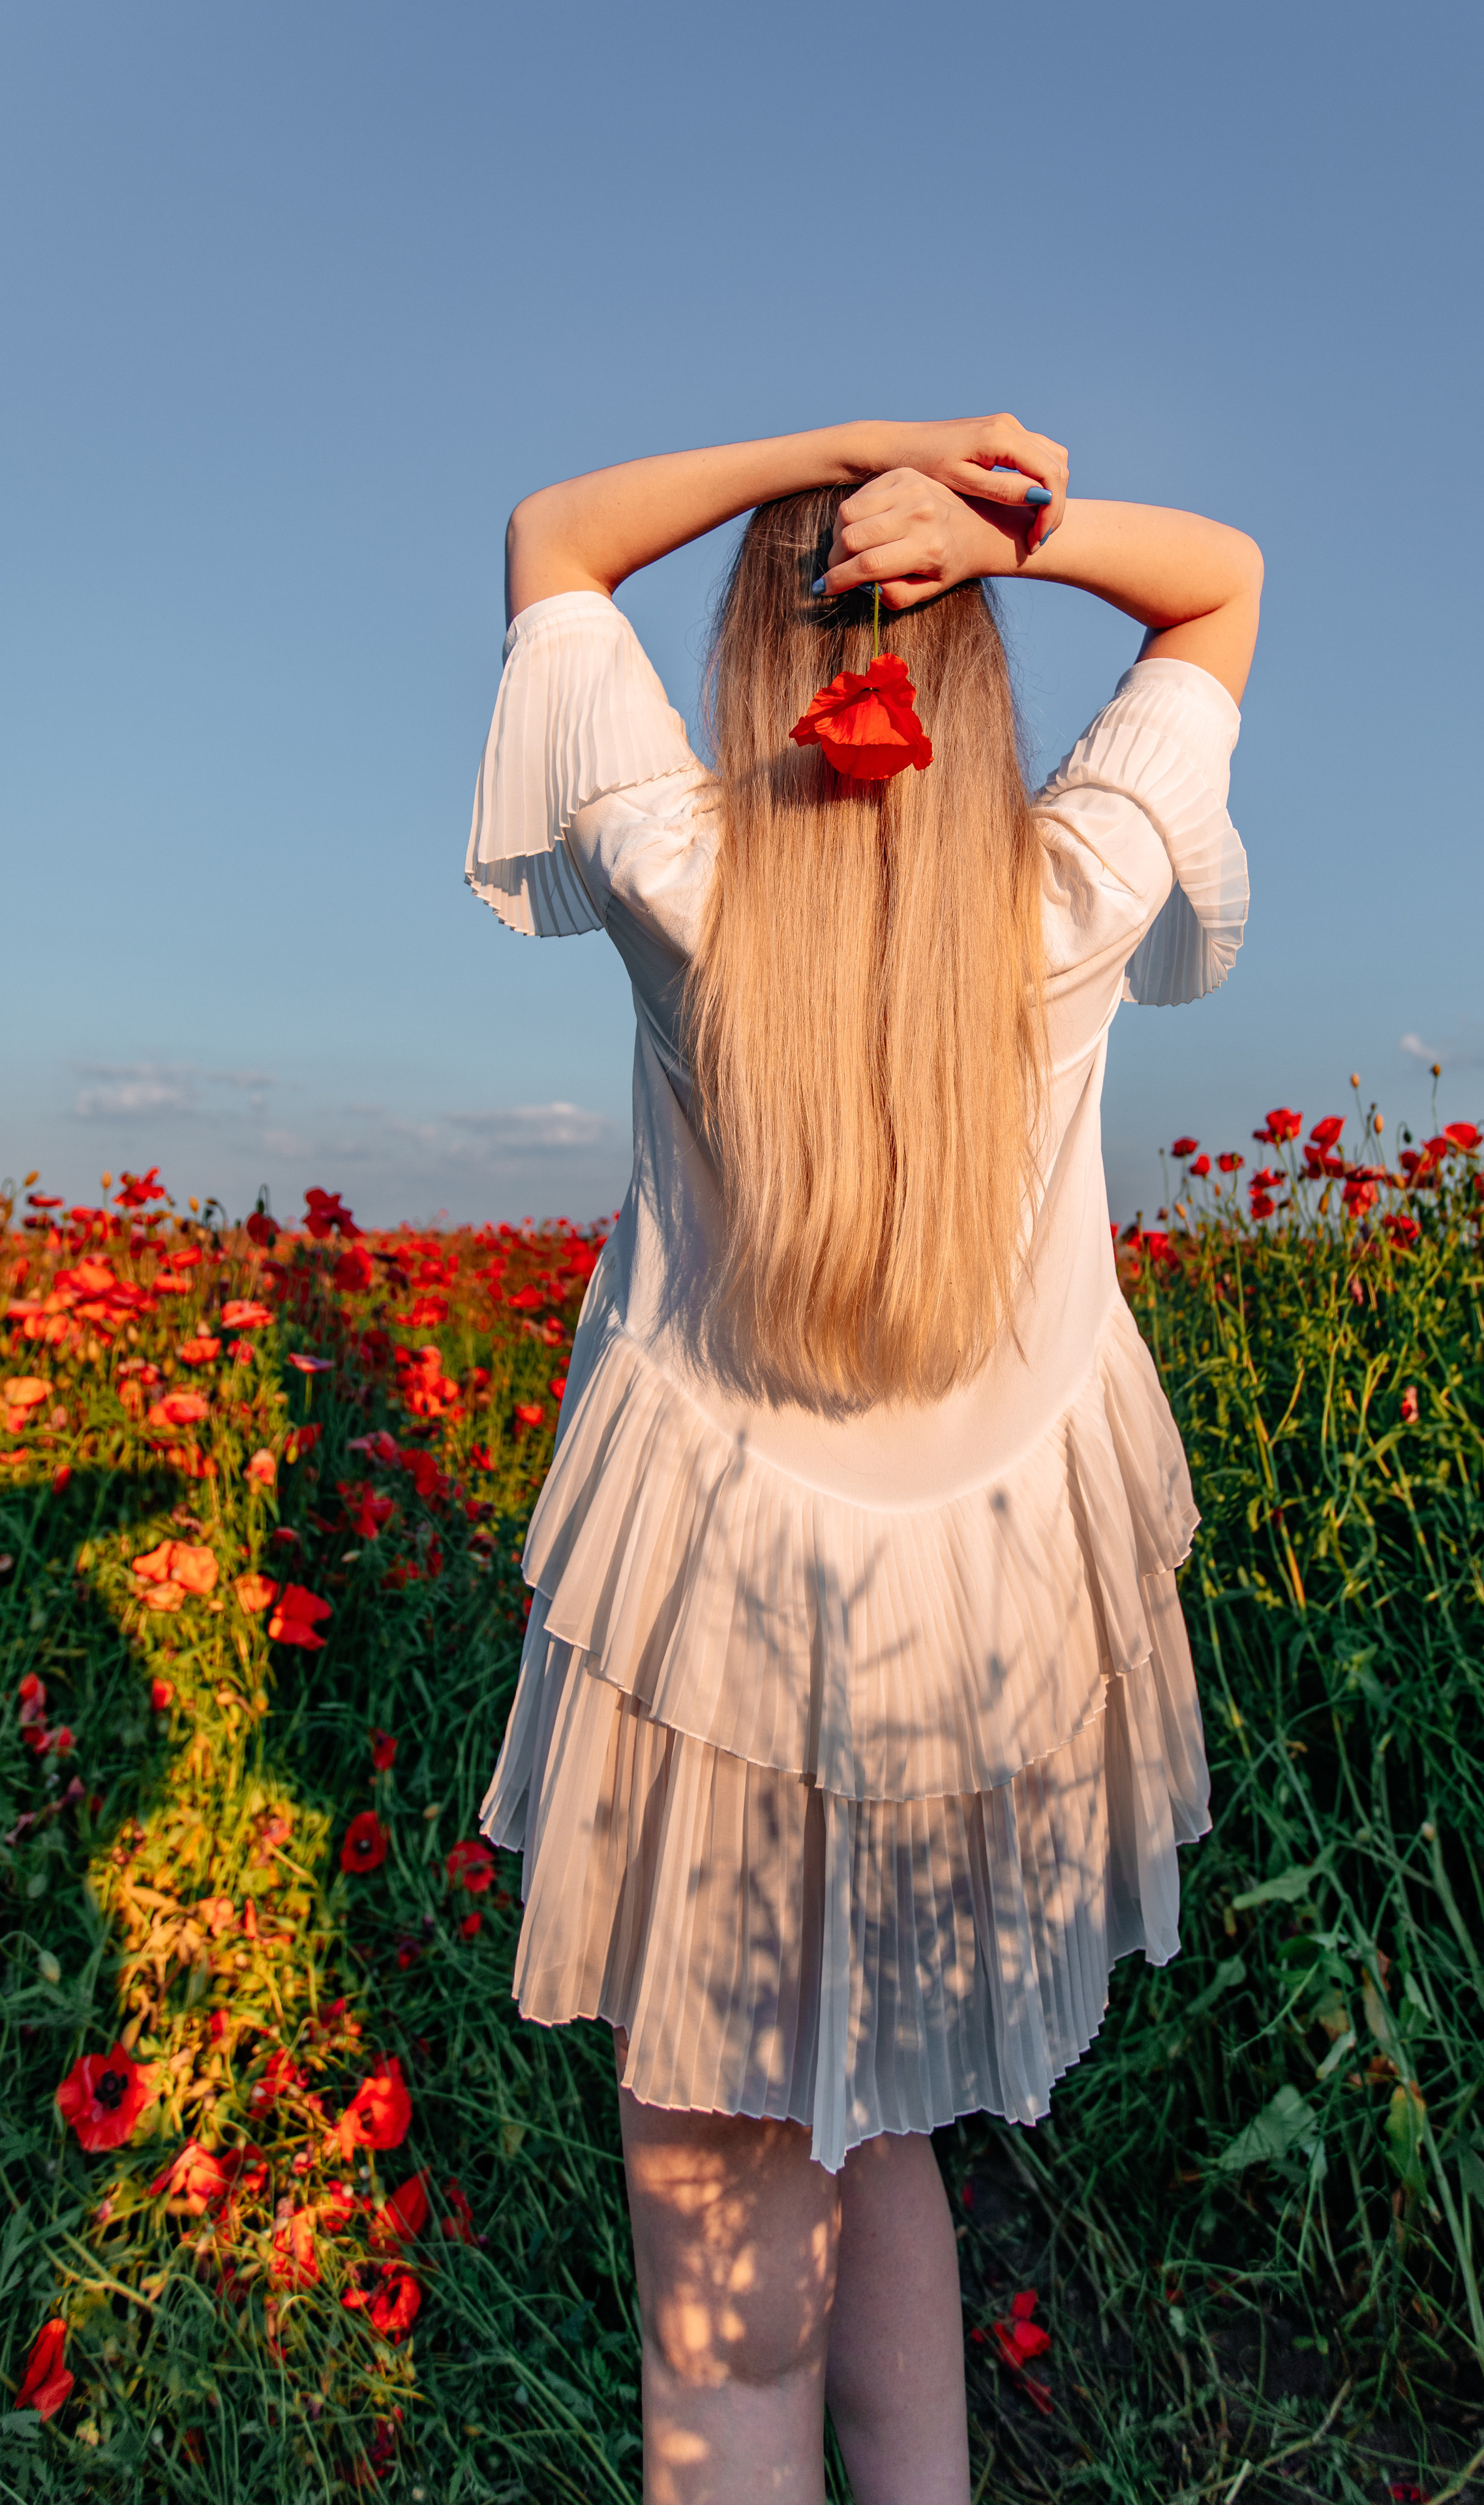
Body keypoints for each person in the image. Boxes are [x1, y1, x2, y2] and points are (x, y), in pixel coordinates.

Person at [465, 416, 1261, 2505]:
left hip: (727, 1652)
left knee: (720, 2332)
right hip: (968, 1667)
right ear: (974, 671)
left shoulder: (683, 879)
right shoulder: (1068, 901)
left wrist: (846, 451)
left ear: (755, 671)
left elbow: (554, 536)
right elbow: (1224, 586)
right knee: (880, 2128)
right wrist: (1010, 528)